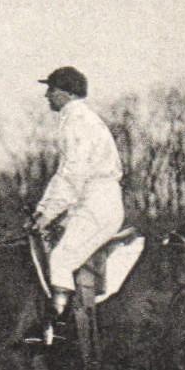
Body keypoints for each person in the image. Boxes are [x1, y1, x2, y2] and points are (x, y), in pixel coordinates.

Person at [28, 66, 125, 345]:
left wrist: (46, 213)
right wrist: (43, 210)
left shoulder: (78, 121)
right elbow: (66, 175)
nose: (47, 95)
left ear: (67, 93)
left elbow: (72, 174)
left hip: (97, 201)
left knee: (60, 259)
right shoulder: (77, 119)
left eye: (52, 89)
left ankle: (59, 337)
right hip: (89, 199)